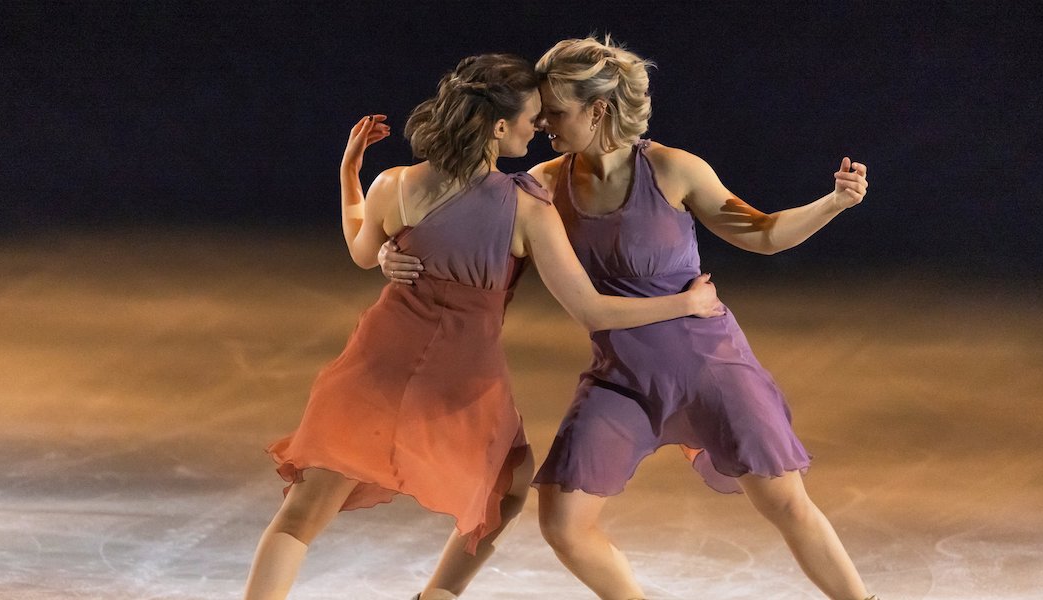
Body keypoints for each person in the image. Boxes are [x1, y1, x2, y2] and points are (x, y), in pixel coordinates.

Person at [380, 37, 877, 600]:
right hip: (622, 378)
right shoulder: (544, 183)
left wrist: (832, 202)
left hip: (710, 367)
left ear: (598, 110)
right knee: (563, 522)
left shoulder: (673, 169)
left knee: (785, 501)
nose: (544, 122)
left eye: (557, 112)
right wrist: (386, 249)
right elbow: (461, 217)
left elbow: (761, 234)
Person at [243, 53, 723, 600]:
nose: (539, 127)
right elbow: (592, 310)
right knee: (509, 487)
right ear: (499, 126)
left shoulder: (394, 184)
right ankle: (438, 597)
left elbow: (360, 248)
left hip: (378, 361)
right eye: (531, 116)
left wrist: (351, 174)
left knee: (304, 513)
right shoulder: (527, 208)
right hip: (462, 377)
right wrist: (684, 305)